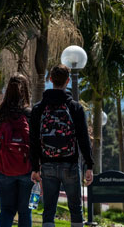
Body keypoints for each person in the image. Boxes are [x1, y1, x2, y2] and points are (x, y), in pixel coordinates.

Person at [30, 64, 94, 227]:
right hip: (70, 164)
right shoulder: (75, 107)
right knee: (76, 210)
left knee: (49, 211)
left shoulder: (38, 108)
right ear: (67, 81)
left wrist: (35, 168)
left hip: (47, 164)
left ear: (50, 79)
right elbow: (83, 138)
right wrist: (89, 165)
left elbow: (34, 140)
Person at [0, 73, 34, 227]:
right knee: (25, 211)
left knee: (6, 210)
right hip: (27, 169)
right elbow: (38, 145)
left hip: (4, 169)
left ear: (7, 90)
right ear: (25, 90)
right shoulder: (31, 114)